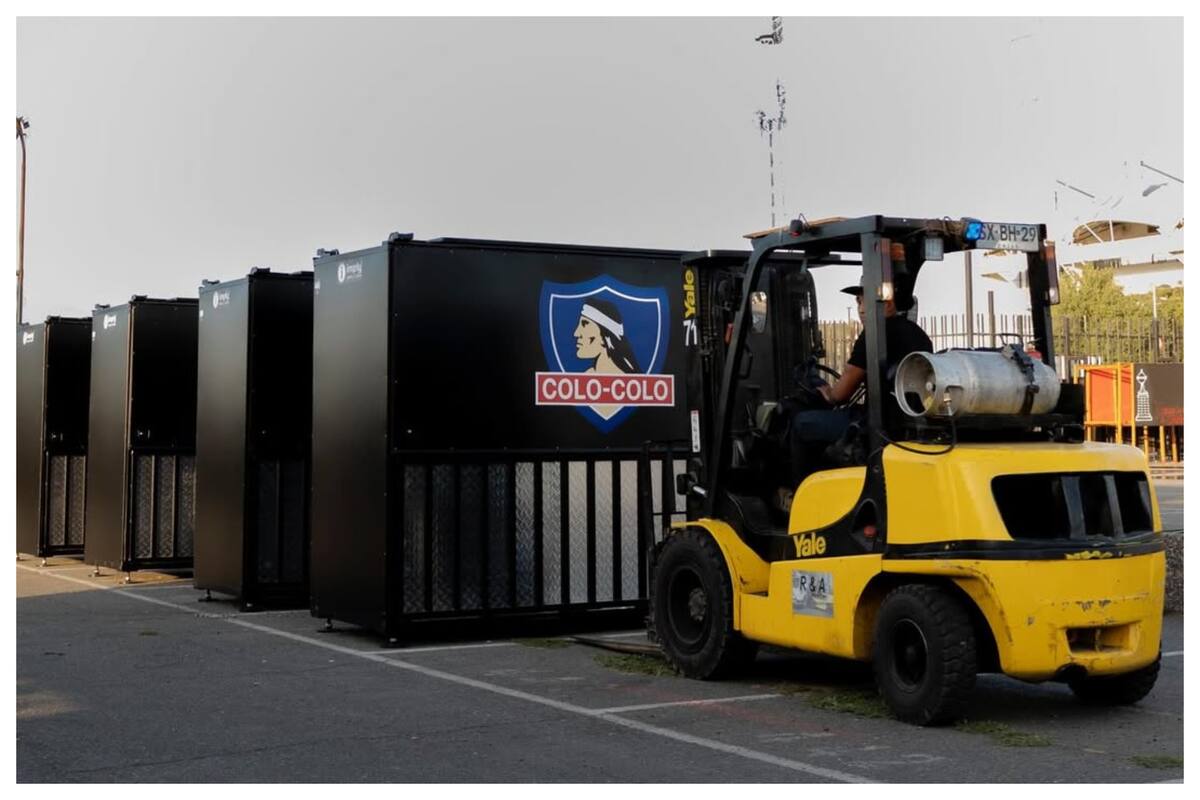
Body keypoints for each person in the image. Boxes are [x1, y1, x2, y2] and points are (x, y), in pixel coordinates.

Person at [787, 277, 932, 488]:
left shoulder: (874, 334)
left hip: (879, 425)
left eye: (863, 301)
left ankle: (797, 493)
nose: (861, 309)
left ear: (888, 303)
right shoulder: (918, 334)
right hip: (907, 423)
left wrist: (828, 392)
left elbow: (841, 393)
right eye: (858, 302)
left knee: (801, 424)